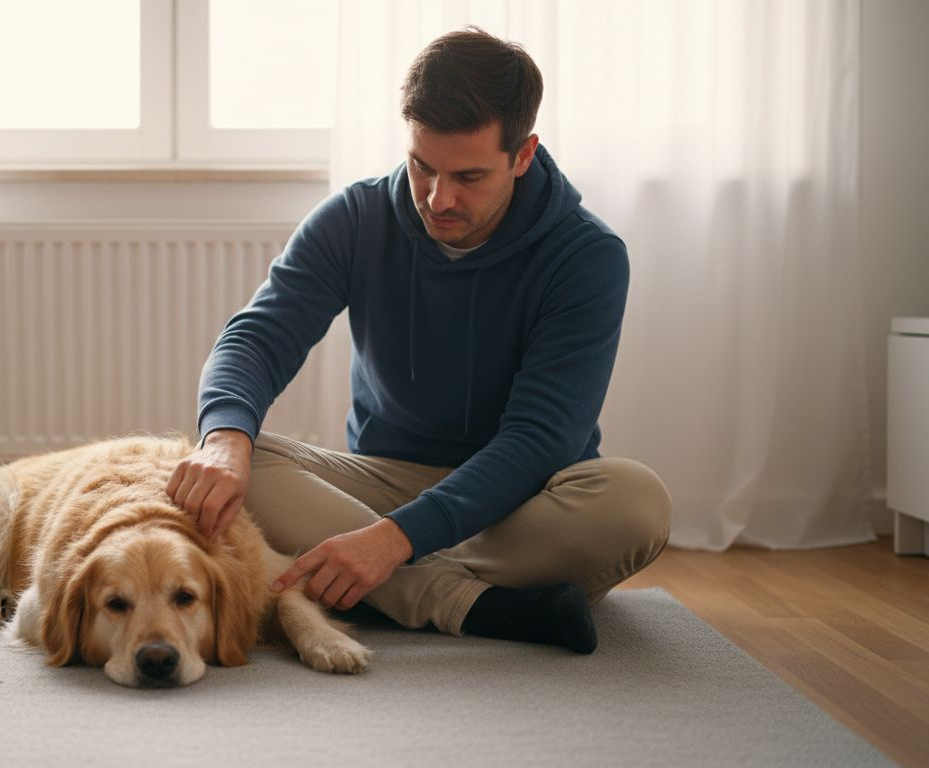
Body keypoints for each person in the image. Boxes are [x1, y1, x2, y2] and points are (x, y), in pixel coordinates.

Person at [166, 26, 671, 654]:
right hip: (381, 479)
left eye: (468, 176)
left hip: (519, 495)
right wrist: (225, 441)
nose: (438, 198)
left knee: (635, 504)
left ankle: (377, 579)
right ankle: (472, 603)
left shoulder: (586, 256)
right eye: (421, 166)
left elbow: (541, 438)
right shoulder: (355, 218)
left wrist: (393, 541)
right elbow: (257, 337)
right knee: (234, 464)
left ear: (523, 155)